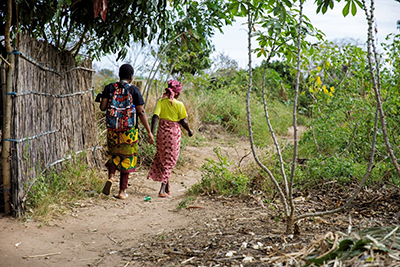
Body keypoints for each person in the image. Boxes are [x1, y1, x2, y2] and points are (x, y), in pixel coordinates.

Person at [100, 64, 154, 199]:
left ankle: (111, 177)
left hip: (112, 129)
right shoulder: (134, 90)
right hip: (128, 131)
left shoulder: (110, 87)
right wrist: (149, 131)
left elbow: (103, 107)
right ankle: (122, 191)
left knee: (113, 154)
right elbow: (141, 111)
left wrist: (102, 97)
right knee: (127, 158)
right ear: (131, 77)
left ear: (119, 75)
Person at [147, 80, 193, 197]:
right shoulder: (179, 105)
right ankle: (162, 190)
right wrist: (189, 130)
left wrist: (151, 133)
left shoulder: (161, 102)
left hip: (161, 133)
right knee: (170, 160)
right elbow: (183, 121)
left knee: (163, 158)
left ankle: (167, 187)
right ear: (177, 93)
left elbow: (155, 117)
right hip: (173, 134)